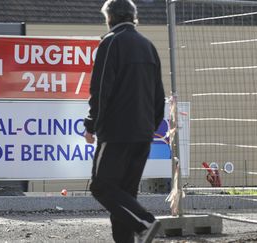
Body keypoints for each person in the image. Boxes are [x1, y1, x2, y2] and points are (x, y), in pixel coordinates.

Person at [83, 0, 165, 242]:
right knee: (123, 196)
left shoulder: (110, 43)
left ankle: (145, 222)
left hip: (116, 133)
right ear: (133, 16)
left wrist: (91, 124)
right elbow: (158, 95)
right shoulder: (148, 46)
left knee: (101, 187)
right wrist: (150, 125)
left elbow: (100, 89)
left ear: (110, 18)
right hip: (143, 133)